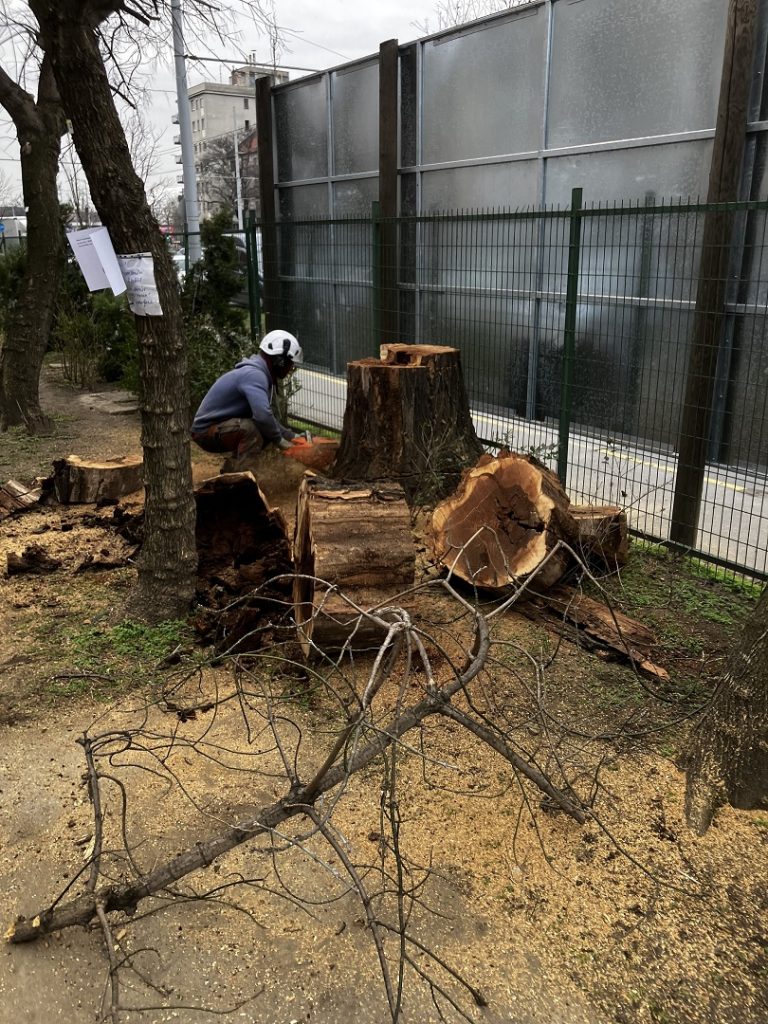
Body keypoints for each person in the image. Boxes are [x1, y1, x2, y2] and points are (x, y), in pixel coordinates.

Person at [190, 330, 303, 472]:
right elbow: (263, 416)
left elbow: (268, 420)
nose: (290, 368)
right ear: (279, 361)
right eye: (289, 363)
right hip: (205, 432)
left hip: (218, 427)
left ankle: (230, 473)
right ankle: (241, 481)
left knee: (264, 430)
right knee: (251, 430)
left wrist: (291, 436)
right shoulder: (255, 375)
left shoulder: (259, 374)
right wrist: (280, 441)